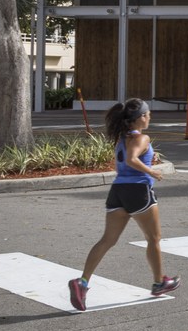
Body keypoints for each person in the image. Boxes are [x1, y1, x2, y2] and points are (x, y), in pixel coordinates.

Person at [69, 97, 177, 311]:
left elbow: (127, 159)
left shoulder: (122, 138)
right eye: (148, 114)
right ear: (140, 118)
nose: (150, 117)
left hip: (118, 192)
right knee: (153, 238)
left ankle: (82, 282)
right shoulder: (141, 138)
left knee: (107, 240)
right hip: (138, 192)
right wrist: (151, 171)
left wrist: (148, 159)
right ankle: (159, 283)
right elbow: (131, 159)